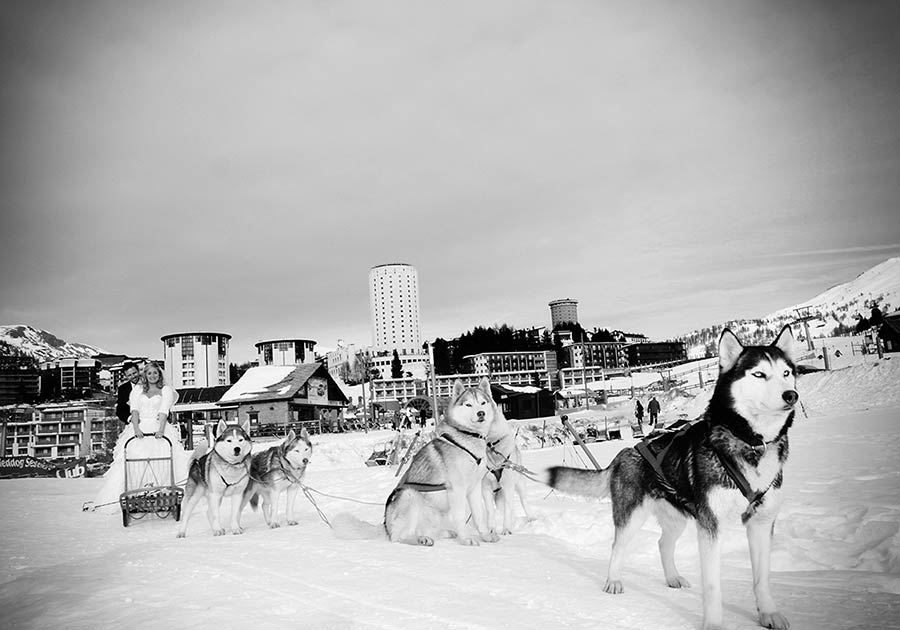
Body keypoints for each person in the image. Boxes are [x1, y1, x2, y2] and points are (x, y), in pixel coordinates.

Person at [89, 361, 190, 514]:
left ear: (160, 374)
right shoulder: (137, 389)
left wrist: (161, 430)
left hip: (158, 426)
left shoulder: (166, 390)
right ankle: (135, 496)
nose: (152, 376)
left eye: (155, 373)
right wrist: (136, 428)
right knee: (134, 458)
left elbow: (164, 411)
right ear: (145, 375)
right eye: (149, 373)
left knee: (163, 458)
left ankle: (163, 495)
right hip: (140, 426)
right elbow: (134, 410)